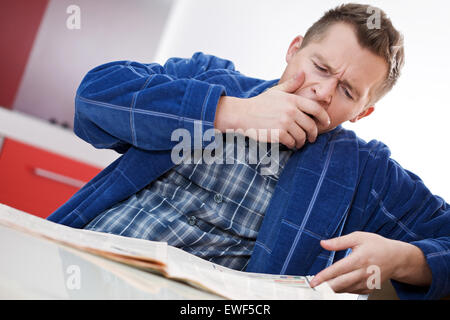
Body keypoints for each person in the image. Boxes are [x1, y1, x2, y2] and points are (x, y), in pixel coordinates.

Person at [47, 3, 450, 299]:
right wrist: (231, 111)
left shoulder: (366, 172)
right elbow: (94, 97)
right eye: (321, 68)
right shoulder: (209, 76)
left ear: (363, 111)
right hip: (80, 267)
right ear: (294, 49)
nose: (323, 92)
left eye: (347, 92)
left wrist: (403, 259)